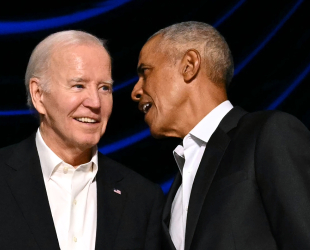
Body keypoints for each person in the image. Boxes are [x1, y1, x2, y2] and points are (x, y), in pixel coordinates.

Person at [0, 30, 164, 250]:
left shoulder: (143, 199)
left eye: (104, 88)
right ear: (39, 95)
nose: (95, 102)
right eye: (79, 86)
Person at [131, 21, 310, 250]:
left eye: (145, 73)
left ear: (189, 65)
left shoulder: (268, 133)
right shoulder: (172, 194)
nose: (135, 91)